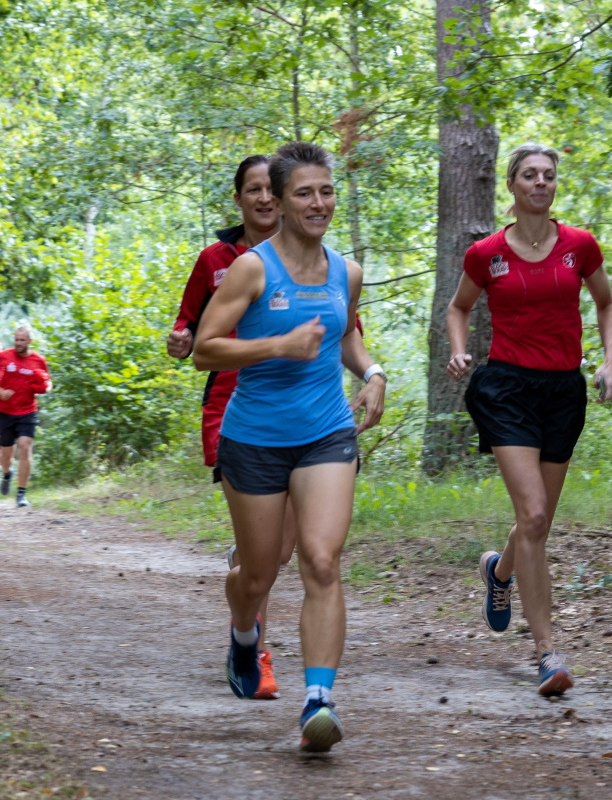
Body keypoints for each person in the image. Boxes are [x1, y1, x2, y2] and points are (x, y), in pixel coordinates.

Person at [194, 141, 385, 753]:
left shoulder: (345, 271)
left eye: (326, 191)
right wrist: (275, 347)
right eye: (305, 192)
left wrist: (373, 371)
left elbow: (346, 339)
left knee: (322, 561)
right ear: (276, 201)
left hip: (326, 432)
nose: (319, 202)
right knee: (256, 573)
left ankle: (318, 701)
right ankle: (244, 632)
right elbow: (205, 347)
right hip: (254, 438)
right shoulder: (252, 268)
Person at [446, 142, 612, 698]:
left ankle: (500, 573)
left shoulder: (580, 247)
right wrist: (457, 349)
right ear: (512, 186)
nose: (540, 182)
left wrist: (609, 360)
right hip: (507, 388)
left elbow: (607, 303)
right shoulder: (488, 254)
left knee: (535, 521)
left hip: (564, 389)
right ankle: (548, 651)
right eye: (529, 175)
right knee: (537, 514)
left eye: (548, 175)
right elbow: (459, 307)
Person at [167, 154, 290, 700]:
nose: (264, 199)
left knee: (280, 551)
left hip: (298, 403)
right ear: (238, 198)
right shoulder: (216, 259)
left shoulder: (307, 253)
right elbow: (188, 321)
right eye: (254, 190)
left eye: (271, 189)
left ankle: (245, 573)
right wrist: (179, 339)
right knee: (260, 547)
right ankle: (254, 650)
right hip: (230, 401)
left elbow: (343, 325)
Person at [0, 327, 50, 508]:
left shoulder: (39, 360)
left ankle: (21, 493)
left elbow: (47, 382)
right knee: (6, 454)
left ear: (29, 341)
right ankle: (8, 473)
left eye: (22, 340)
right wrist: (1, 392)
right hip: (5, 412)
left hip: (27, 412)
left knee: (24, 448)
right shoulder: (4, 357)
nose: (18, 343)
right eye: (16, 339)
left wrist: (46, 388)